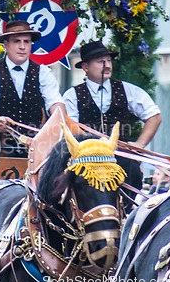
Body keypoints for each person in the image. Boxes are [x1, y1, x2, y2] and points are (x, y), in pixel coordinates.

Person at [63, 40, 162, 209]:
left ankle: (126, 213)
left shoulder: (127, 90)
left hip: (120, 159)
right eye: (101, 62)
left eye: (108, 61)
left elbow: (154, 116)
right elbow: (72, 126)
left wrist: (139, 144)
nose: (107, 65)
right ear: (86, 67)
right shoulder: (72, 95)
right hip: (89, 161)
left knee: (130, 168)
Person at [0, 20, 66, 157]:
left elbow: (55, 102)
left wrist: (61, 120)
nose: (22, 47)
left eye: (27, 42)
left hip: (35, 147)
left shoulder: (44, 72)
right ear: (6, 44)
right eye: (17, 41)